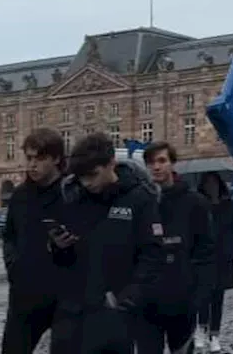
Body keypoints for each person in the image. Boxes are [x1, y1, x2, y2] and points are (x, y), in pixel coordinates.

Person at [49, 133, 163, 354]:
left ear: (111, 163)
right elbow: (64, 260)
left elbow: (152, 255)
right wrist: (57, 246)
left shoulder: (139, 198)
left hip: (114, 313)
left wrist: (128, 298)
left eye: (93, 175)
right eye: (81, 177)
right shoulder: (74, 197)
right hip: (70, 313)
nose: (87, 183)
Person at [137, 141, 214, 354]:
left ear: (172, 164)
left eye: (162, 161)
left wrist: (198, 295)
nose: (156, 167)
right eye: (151, 162)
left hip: (181, 300)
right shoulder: (140, 201)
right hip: (146, 302)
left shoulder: (194, 202)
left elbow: (205, 250)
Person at [1, 128, 67, 354]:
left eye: (39, 158)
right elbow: (9, 236)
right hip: (24, 295)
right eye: (29, 158)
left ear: (56, 158)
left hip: (63, 297)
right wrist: (13, 267)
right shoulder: (20, 196)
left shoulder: (71, 193)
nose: (32, 165)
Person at [197, 171, 233, 353]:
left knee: (218, 298)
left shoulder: (229, 205)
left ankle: (215, 334)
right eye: (208, 183)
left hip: (223, 258)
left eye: (214, 183)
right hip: (204, 257)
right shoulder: (199, 205)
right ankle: (201, 329)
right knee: (202, 297)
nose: (211, 186)